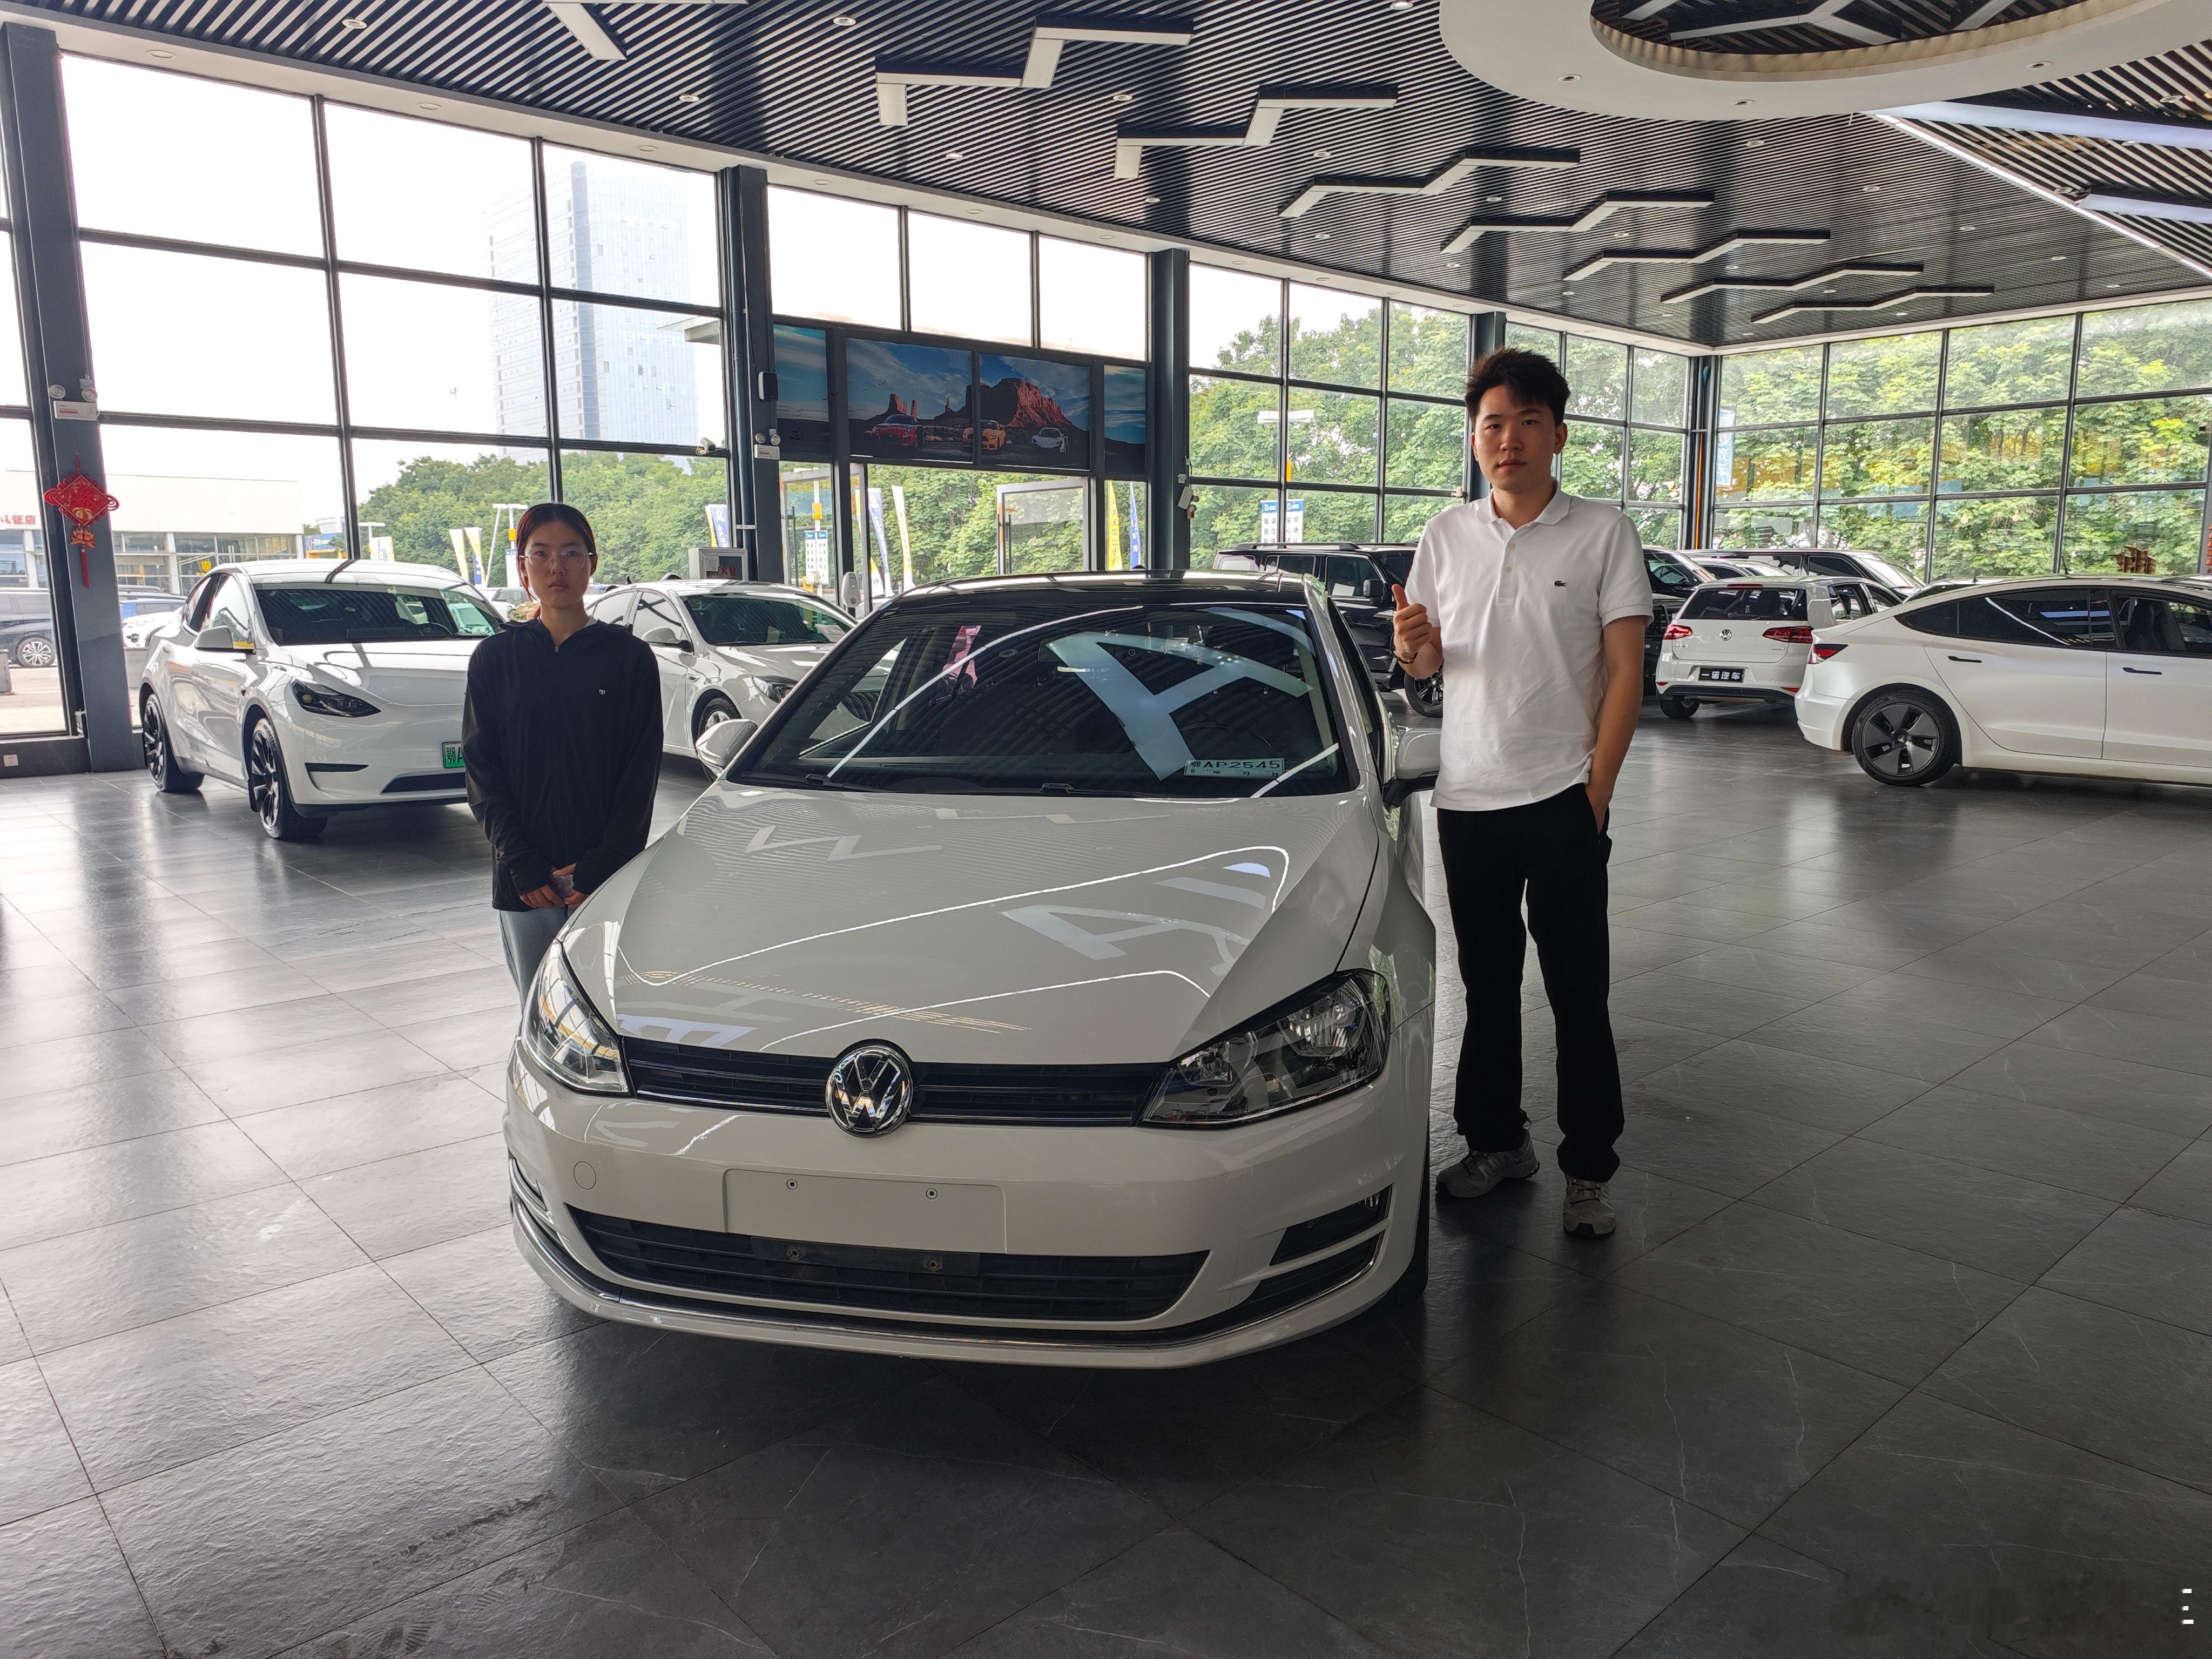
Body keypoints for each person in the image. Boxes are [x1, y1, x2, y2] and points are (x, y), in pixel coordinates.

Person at [1392, 347, 1650, 1238]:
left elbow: (1626, 672)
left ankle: (1589, 1170)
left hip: (1563, 798)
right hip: (1468, 801)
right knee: (1488, 987)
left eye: (1527, 422)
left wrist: (1596, 792)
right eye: (1493, 424)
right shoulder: (1445, 536)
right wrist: (1412, 647)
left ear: (1558, 435)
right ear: (1474, 438)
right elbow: (1429, 663)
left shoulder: (1602, 532)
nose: (1509, 439)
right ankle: (1497, 1141)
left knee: (1579, 992)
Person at [462, 504, 663, 997]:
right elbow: (482, 771)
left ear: (592, 563)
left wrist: (606, 861)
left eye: (572, 553)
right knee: (540, 1007)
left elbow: (639, 772)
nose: (557, 568)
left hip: (604, 875)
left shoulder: (628, 658)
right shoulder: (495, 658)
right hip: (524, 878)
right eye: (542, 554)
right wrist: (519, 860)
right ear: (523, 567)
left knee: (607, 1007)